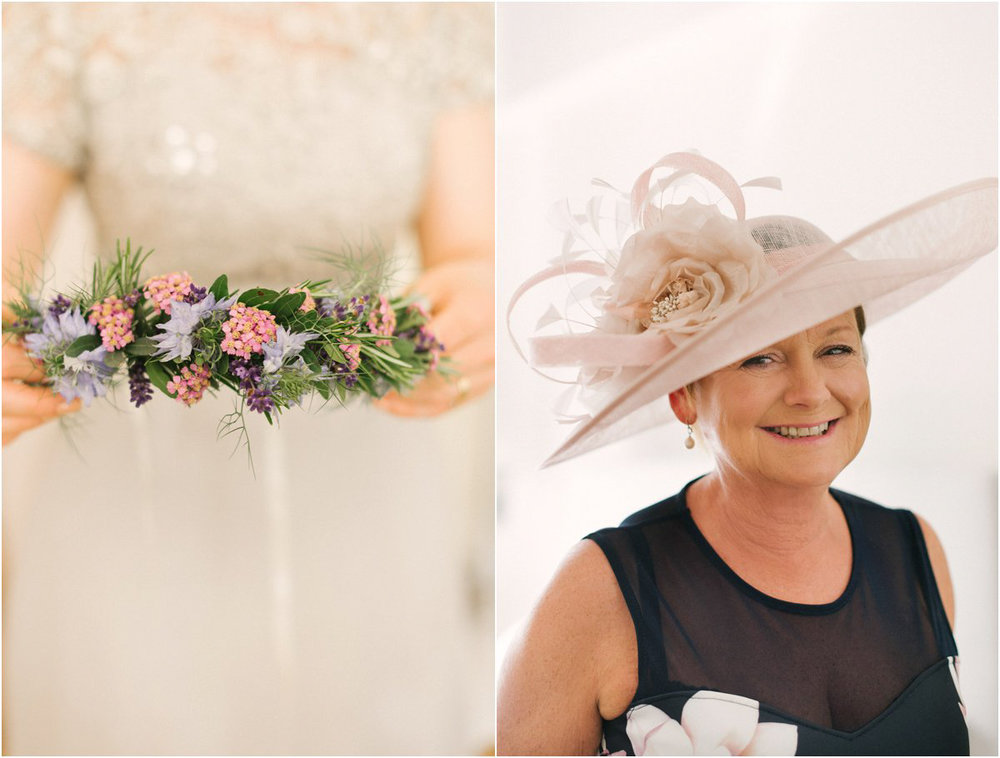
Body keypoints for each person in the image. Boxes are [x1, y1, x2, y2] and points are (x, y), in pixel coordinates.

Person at [2, 4, 493, 754]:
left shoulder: (439, 17)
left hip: (364, 489)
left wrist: (473, 305)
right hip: (138, 496)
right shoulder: (71, 16)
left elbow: (470, 247)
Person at [498, 152, 997, 755]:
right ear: (684, 396)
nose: (811, 392)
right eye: (759, 357)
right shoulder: (599, 592)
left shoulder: (917, 553)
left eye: (836, 349)